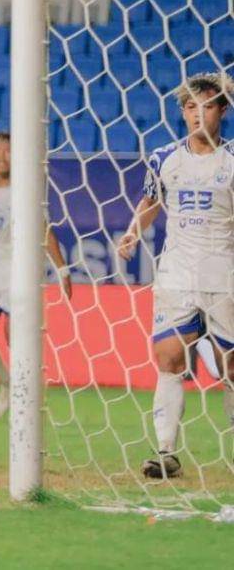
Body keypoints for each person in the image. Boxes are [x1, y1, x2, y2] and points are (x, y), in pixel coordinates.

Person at [117, 72, 234, 479]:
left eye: (208, 106)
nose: (198, 114)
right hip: (176, 274)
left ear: (222, 111)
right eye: (190, 106)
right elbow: (151, 200)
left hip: (224, 275)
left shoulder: (232, 159)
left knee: (230, 368)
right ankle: (165, 452)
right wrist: (133, 231)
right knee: (168, 358)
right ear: (182, 113)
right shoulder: (164, 157)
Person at [0, 131, 73, 416]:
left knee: (17, 341)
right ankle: (7, 383)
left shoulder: (26, 191)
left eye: (8, 150)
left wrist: (62, 269)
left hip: (19, 276)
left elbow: (44, 230)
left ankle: (28, 401)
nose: (2, 156)